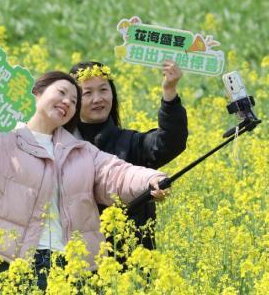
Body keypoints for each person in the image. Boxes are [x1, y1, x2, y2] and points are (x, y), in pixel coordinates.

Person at [0, 55, 169, 290]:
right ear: (37, 93)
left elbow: (118, 174)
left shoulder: (81, 151)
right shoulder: (4, 139)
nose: (67, 101)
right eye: (61, 93)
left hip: (72, 267)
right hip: (17, 262)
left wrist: (152, 180)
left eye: (74, 100)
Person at [69, 60, 188, 250]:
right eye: (87, 93)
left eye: (103, 90)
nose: (97, 99)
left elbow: (169, 142)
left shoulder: (130, 143)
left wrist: (169, 93)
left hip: (132, 254)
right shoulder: (62, 147)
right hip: (79, 256)